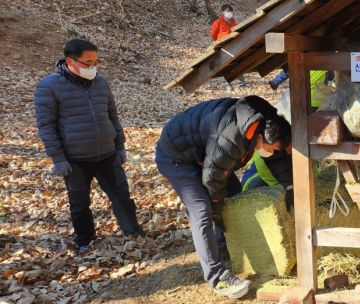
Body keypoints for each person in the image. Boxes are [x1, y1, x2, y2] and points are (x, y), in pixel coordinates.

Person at [155, 95, 291, 299]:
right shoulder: (231, 140)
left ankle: (225, 249)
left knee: (235, 200)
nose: (272, 153)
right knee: (202, 209)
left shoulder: (267, 123)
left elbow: (276, 156)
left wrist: (290, 186)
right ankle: (217, 276)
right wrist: (216, 209)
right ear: (261, 139)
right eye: (272, 149)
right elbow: (213, 179)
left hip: (206, 155)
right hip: (176, 156)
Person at [34, 39, 143, 256]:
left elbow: (112, 114)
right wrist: (58, 158)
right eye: (87, 62)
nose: (92, 67)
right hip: (75, 159)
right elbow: (46, 125)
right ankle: (85, 240)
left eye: (96, 62)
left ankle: (134, 233)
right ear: (69, 61)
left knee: (122, 196)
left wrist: (120, 145)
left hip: (107, 153)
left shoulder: (100, 81)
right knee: (80, 204)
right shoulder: (49, 86)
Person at [210, 4, 245, 90]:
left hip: (234, 46)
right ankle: (229, 84)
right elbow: (213, 35)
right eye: (227, 11)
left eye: (231, 11)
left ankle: (242, 83)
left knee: (238, 63)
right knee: (226, 66)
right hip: (223, 48)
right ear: (223, 12)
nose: (230, 13)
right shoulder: (218, 22)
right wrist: (219, 43)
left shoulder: (234, 23)